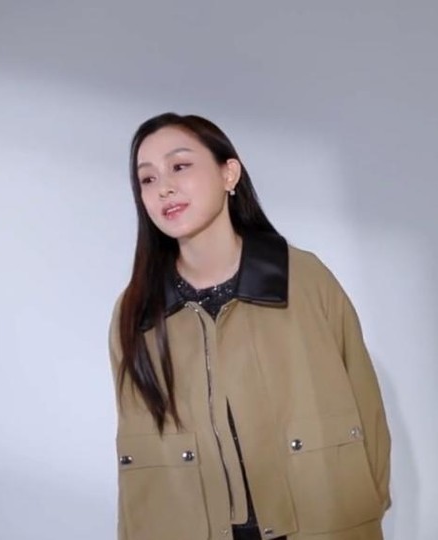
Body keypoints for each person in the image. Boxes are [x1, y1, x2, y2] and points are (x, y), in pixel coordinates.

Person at [107, 113, 392, 540]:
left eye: (180, 166)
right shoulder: (137, 312)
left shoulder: (302, 279)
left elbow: (366, 406)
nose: (163, 187)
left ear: (229, 173)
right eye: (147, 179)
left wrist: (363, 513)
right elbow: (138, 453)